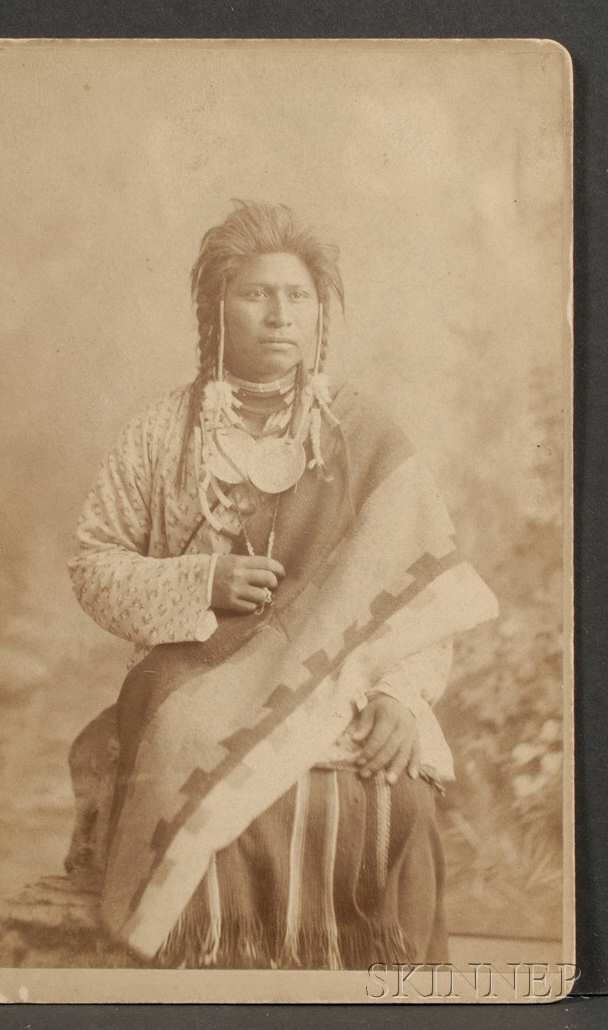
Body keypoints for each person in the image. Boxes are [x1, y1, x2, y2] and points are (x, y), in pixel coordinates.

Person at [68, 200, 498, 970]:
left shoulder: (367, 438)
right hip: (192, 674)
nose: (278, 316)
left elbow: (419, 595)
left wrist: (402, 693)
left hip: (344, 675)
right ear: (215, 308)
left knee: (395, 791)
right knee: (199, 762)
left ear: (319, 313)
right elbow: (96, 565)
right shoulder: (159, 435)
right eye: (255, 294)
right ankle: (216, 980)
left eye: (297, 296)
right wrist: (201, 582)